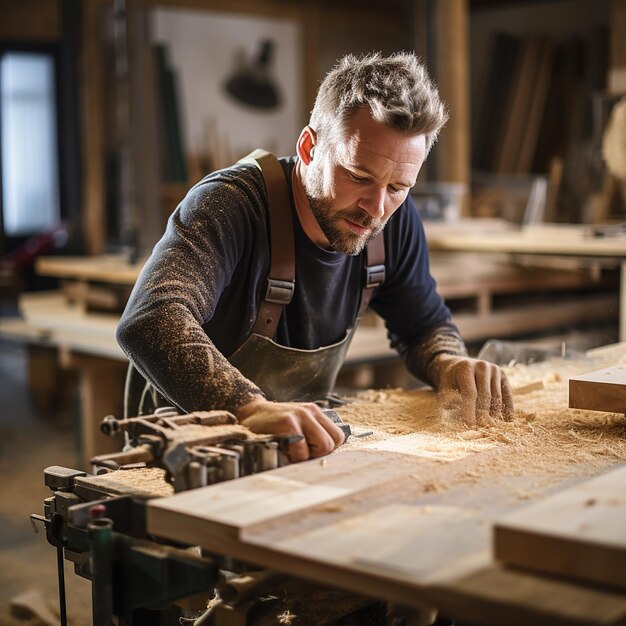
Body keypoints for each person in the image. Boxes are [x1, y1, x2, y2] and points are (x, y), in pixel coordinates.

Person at [117, 52, 514, 463]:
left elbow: (422, 324)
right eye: (359, 177)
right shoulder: (230, 204)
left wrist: (449, 363)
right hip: (181, 452)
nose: (376, 208)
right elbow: (151, 318)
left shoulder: (391, 222)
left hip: (298, 450)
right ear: (308, 147)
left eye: (398, 187)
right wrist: (250, 408)